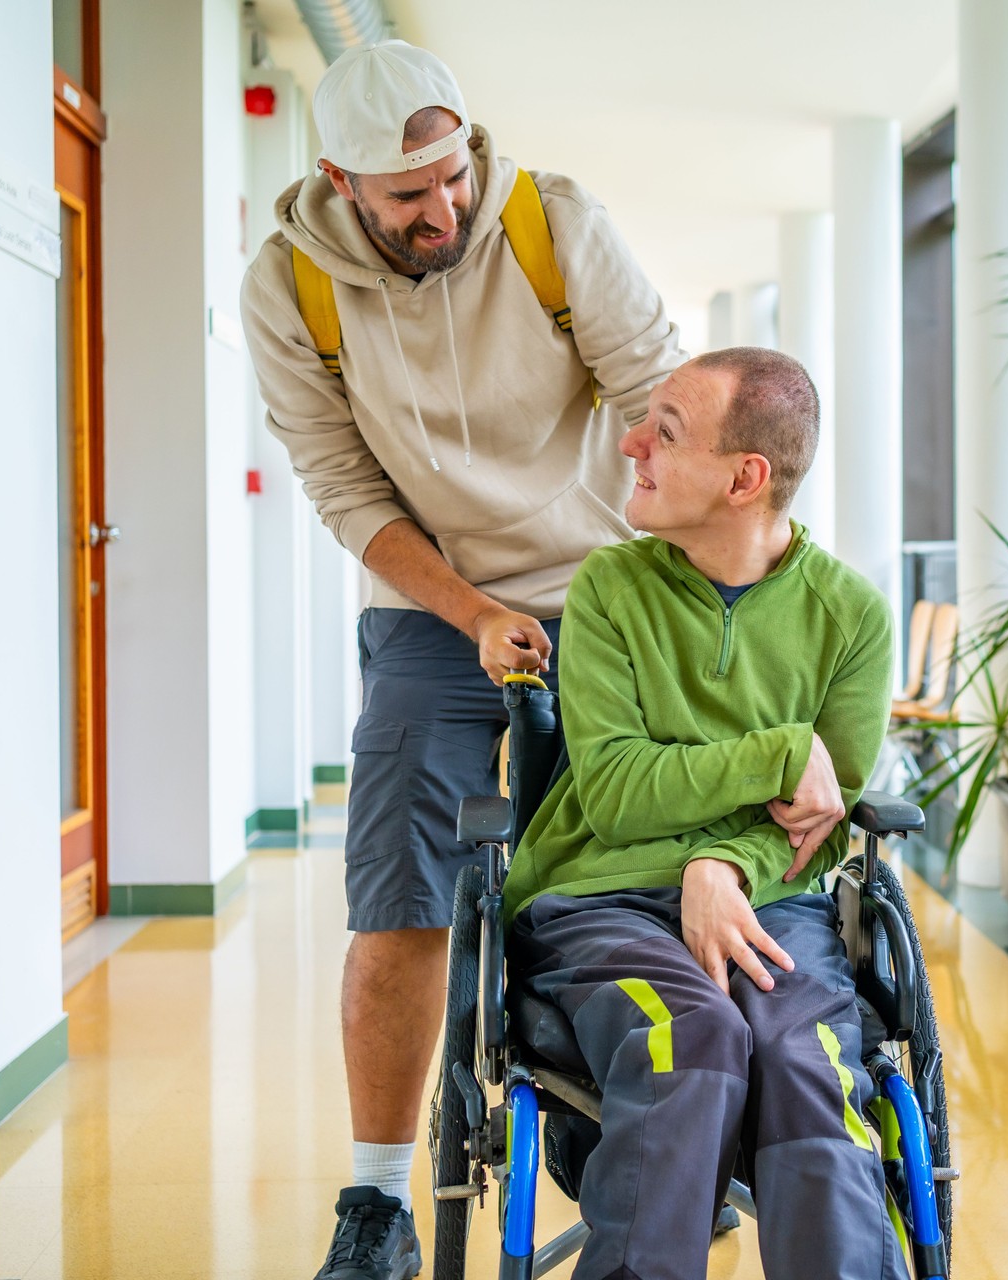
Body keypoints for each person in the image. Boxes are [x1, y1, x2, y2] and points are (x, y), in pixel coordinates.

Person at [238, 39, 683, 1280]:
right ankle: (375, 1200)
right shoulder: (290, 287)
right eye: (407, 196)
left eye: (452, 179)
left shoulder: (549, 223)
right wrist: (472, 611)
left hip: (602, 588)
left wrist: (683, 589)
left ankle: (628, 1135)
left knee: (622, 861)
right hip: (429, 603)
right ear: (341, 180)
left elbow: (659, 395)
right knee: (398, 898)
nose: (442, 210)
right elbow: (342, 485)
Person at [502, 347, 905, 1280]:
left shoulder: (850, 617)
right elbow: (613, 790)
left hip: (775, 904)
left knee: (808, 1065)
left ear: (744, 478)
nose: (632, 443)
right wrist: (774, 753)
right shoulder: (611, 589)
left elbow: (818, 824)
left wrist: (715, 869)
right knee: (692, 1037)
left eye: (666, 431)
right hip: (601, 900)